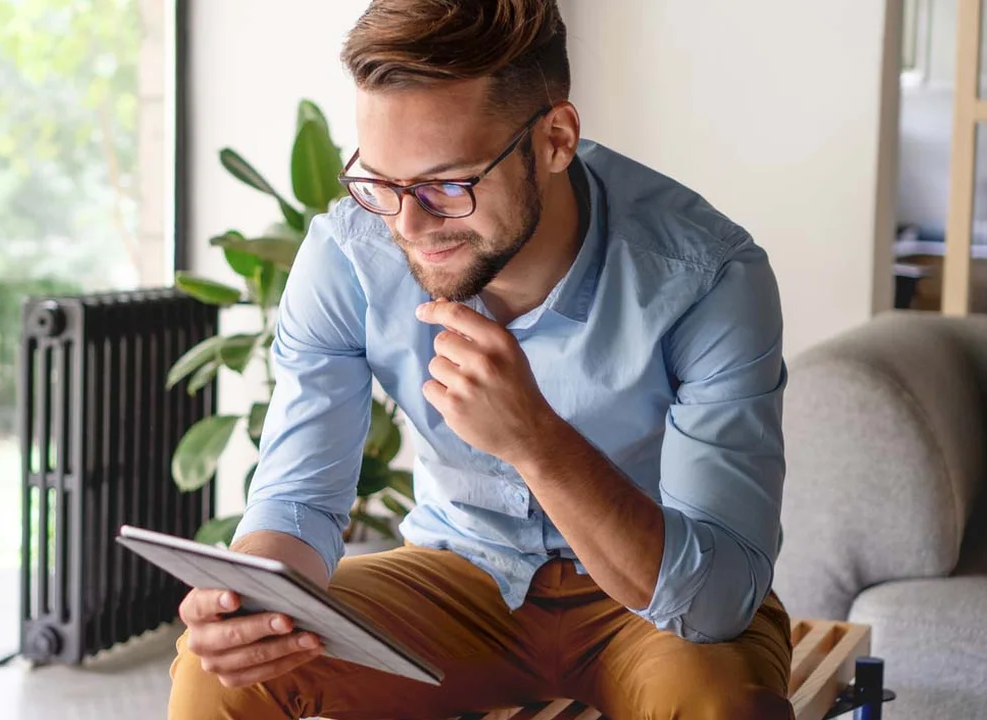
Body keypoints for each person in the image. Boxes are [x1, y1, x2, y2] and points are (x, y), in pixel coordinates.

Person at [168, 1, 792, 718]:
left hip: (650, 599)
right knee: (221, 673)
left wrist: (536, 440)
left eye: (447, 185)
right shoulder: (350, 254)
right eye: (380, 182)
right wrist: (253, 599)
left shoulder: (707, 277)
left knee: (723, 705)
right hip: (457, 576)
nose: (407, 225)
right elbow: (300, 499)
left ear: (555, 139)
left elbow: (716, 601)